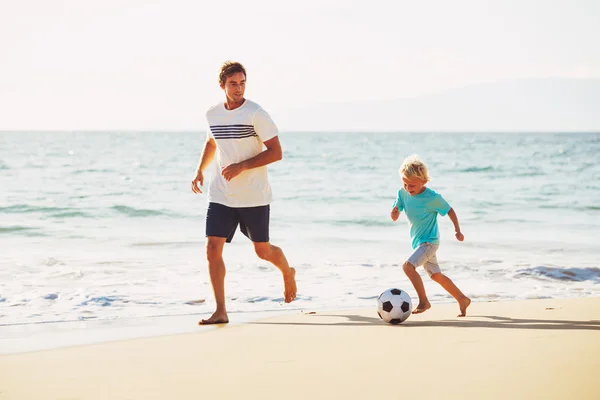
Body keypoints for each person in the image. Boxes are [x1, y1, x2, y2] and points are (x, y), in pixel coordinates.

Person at [191, 61, 297, 325]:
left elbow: (276, 152)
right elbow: (212, 142)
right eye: (233, 84)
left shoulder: (256, 114)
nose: (238, 89)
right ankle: (221, 311)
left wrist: (242, 166)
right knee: (212, 248)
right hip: (221, 194)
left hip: (254, 196)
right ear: (222, 85)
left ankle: (287, 271)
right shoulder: (213, 114)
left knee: (262, 251)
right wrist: (199, 171)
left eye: (242, 83)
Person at [390, 155, 471, 317]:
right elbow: (396, 210)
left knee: (408, 267)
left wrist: (457, 230)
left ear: (424, 182)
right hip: (419, 243)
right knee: (436, 275)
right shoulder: (403, 193)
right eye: (404, 184)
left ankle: (424, 301)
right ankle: (462, 299)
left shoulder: (432, 198)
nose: (408, 188)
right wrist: (395, 212)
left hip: (429, 243)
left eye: (412, 185)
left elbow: (450, 210)